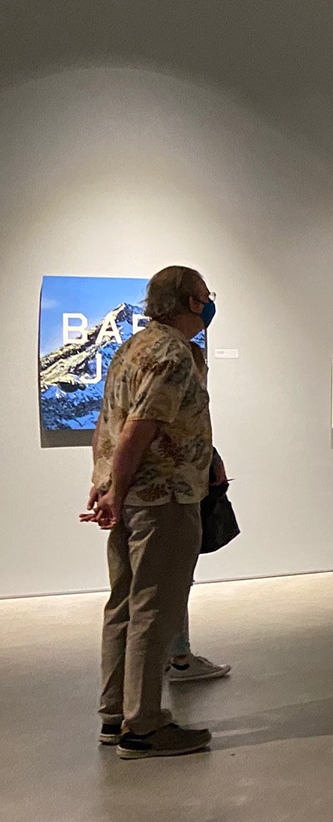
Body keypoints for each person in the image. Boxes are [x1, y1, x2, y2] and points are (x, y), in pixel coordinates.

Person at [80, 265, 216, 760]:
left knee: (123, 603)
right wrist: (115, 490)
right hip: (163, 499)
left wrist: (104, 483)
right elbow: (139, 427)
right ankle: (144, 727)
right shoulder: (172, 353)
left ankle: (114, 714)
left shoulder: (131, 348)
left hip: (134, 496)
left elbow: (107, 421)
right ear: (191, 302)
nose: (209, 303)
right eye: (205, 295)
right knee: (154, 610)